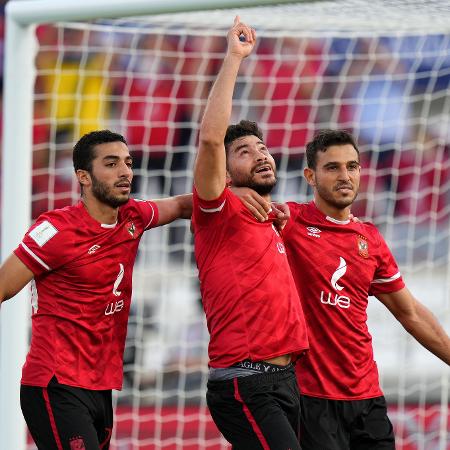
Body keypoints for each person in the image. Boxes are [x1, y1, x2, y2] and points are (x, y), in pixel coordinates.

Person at [238, 128, 450, 450]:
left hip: (368, 399)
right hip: (312, 399)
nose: (344, 176)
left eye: (351, 166)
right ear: (310, 175)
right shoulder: (288, 221)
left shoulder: (370, 240)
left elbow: (411, 313)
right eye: (332, 167)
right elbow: (224, 207)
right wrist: (237, 194)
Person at [0, 129, 192, 449]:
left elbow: (182, 205)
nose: (125, 172)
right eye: (112, 163)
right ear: (84, 177)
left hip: (100, 385)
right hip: (55, 383)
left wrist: (238, 198)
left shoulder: (133, 216)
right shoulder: (56, 230)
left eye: (128, 163)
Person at [192, 17, 309, 449]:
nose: (260, 155)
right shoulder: (216, 207)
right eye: (244, 151)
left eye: (262, 148)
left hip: (284, 379)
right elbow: (209, 141)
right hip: (245, 381)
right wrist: (235, 57)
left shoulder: (270, 215)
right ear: (225, 167)